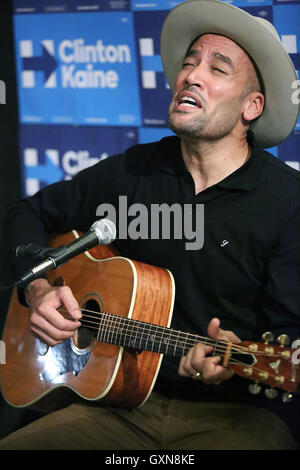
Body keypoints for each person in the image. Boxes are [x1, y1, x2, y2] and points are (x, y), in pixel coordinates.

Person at [0, 0, 299, 450]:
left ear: (251, 107)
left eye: (218, 69)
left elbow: (291, 339)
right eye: (189, 63)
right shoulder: (135, 170)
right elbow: (25, 214)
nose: (191, 75)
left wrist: (231, 358)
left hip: (236, 416)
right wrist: (39, 287)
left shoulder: (287, 200)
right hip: (119, 408)